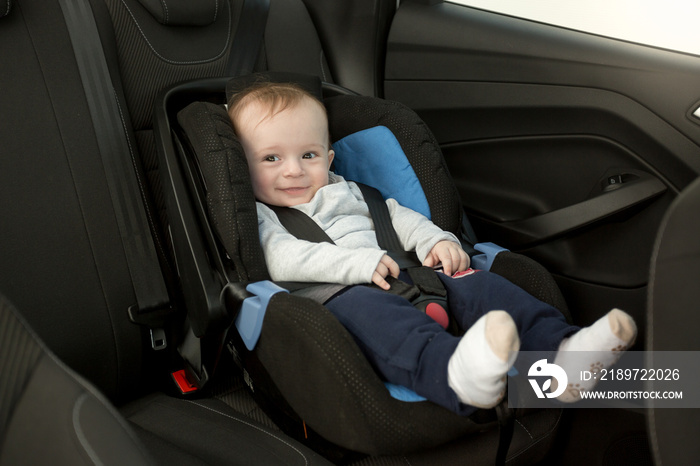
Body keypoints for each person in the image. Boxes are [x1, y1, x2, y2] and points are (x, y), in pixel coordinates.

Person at [227, 80, 637, 415]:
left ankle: (562, 352)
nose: (294, 169)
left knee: (480, 285)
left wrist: (437, 240)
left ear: (329, 158)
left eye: (309, 154)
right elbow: (280, 258)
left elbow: (397, 218)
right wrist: (355, 265)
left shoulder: (350, 191)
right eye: (272, 158)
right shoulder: (263, 216)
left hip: (416, 277)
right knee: (378, 317)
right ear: (244, 170)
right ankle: (458, 374)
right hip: (341, 296)